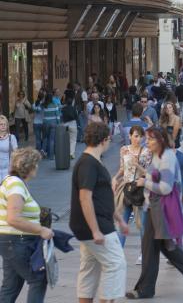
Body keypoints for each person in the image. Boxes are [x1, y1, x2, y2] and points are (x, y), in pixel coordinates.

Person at [126, 128, 183, 299]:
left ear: (161, 140)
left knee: (152, 248)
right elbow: (152, 177)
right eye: (146, 139)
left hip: (161, 210)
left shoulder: (167, 158)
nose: (146, 142)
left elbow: (165, 188)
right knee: (165, 248)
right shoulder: (157, 155)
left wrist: (144, 183)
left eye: (150, 139)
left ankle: (145, 289)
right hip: (153, 208)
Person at [70, 122, 128, 303]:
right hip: (96, 224)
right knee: (116, 264)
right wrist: (95, 229)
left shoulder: (92, 161)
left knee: (90, 267)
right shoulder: (88, 163)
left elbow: (101, 197)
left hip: (95, 222)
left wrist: (119, 218)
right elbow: (85, 197)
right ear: (105, 140)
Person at [0, 148, 53, 302]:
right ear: (29, 166)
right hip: (17, 241)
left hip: (10, 241)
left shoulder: (11, 182)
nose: (37, 167)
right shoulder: (16, 185)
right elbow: (13, 218)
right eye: (36, 164)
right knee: (38, 279)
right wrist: (41, 229)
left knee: (11, 286)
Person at [112, 126, 151, 250]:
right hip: (126, 189)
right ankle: (118, 254)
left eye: (140, 136)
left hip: (140, 190)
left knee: (142, 225)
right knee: (121, 224)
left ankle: (144, 254)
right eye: (135, 136)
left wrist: (137, 165)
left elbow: (149, 173)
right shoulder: (124, 149)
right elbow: (123, 168)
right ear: (129, 136)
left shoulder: (146, 152)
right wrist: (115, 178)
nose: (138, 139)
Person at [42, 92, 60, 160]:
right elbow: (57, 116)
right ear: (52, 98)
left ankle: (44, 150)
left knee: (45, 138)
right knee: (52, 140)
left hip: (45, 123)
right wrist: (58, 123)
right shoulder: (55, 105)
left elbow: (37, 108)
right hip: (53, 123)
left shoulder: (44, 105)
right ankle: (51, 156)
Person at [0, 115, 18, 182]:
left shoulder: (11, 138)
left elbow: (16, 153)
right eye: (1, 124)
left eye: (5, 124)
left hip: (7, 170)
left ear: (7, 126)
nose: (3, 126)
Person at [32, 91, 45, 155]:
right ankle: (42, 149)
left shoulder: (35, 104)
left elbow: (33, 108)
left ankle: (38, 151)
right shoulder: (44, 104)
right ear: (43, 98)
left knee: (38, 138)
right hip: (43, 123)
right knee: (44, 137)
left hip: (36, 123)